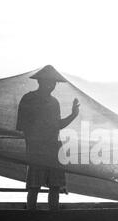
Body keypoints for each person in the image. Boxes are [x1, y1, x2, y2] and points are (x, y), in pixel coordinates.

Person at [16, 65, 80, 211]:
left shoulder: (54, 102)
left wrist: (73, 115)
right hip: (37, 150)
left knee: (55, 186)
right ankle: (30, 214)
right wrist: (32, 147)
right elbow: (22, 127)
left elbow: (57, 125)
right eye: (47, 82)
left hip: (54, 149)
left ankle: (54, 215)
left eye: (53, 83)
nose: (50, 85)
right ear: (39, 82)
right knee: (34, 186)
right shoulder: (29, 99)